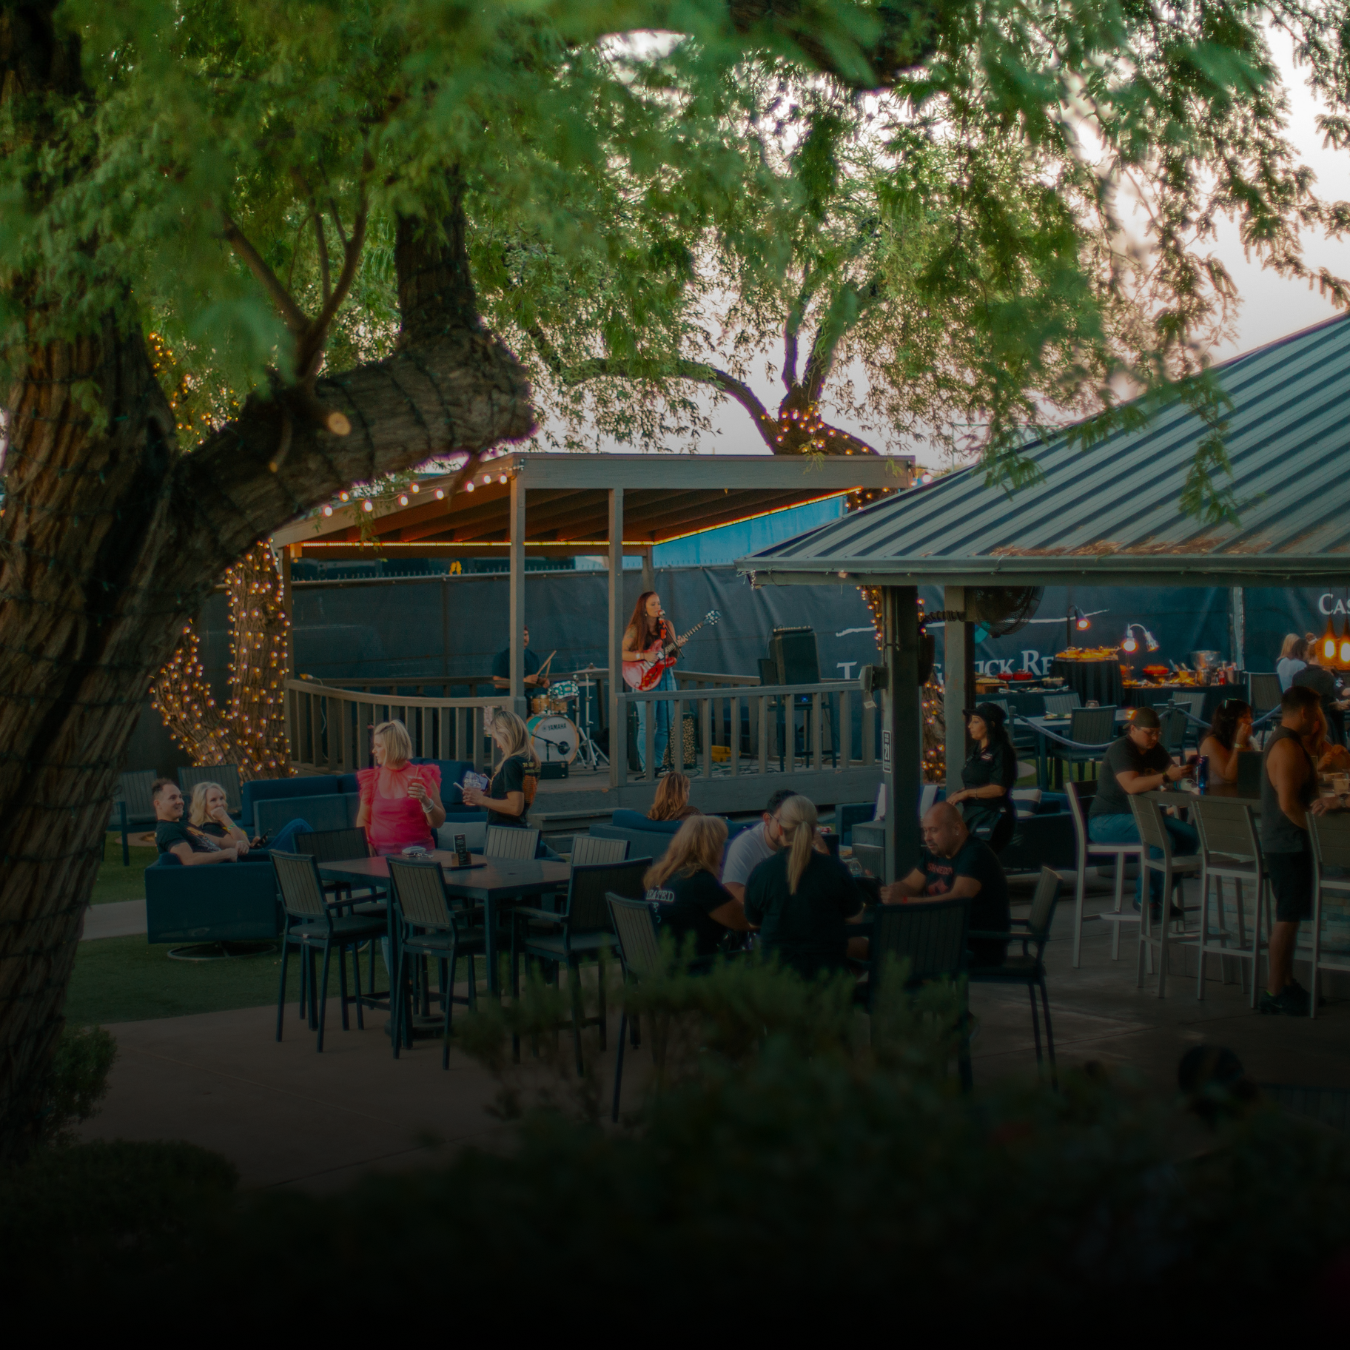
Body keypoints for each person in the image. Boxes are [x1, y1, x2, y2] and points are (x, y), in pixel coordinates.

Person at [1260, 685, 1350, 1015]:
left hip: (1286, 842)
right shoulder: (1286, 746)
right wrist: (1314, 835)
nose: (1317, 720)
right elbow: (1287, 804)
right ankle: (1274, 991)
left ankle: (1285, 984)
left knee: (1291, 917)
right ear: (1304, 713)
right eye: (1315, 713)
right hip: (1288, 843)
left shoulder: (1288, 742)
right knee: (1286, 918)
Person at [1087, 706, 1197, 910]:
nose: (1154, 738)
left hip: (1143, 815)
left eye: (1158, 733)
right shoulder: (1122, 749)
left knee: (1190, 836)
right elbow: (1131, 785)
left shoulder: (1155, 750)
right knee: (1161, 839)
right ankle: (1146, 899)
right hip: (1107, 819)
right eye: (1149, 733)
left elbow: (1172, 774)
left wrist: (1184, 775)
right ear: (1133, 729)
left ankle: (1160, 896)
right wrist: (1166, 777)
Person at [743, 795, 865, 979]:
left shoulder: (762, 873)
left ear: (780, 828)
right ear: (814, 830)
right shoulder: (835, 869)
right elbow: (856, 918)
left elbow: (753, 922)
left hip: (776, 980)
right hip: (826, 979)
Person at [883, 801, 1010, 967]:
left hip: (976, 947)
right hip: (944, 938)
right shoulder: (936, 852)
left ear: (956, 829)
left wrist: (905, 902)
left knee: (893, 952)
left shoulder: (975, 855)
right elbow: (911, 884)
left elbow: (957, 900)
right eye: (925, 831)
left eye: (933, 830)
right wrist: (890, 892)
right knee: (879, 947)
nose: (927, 838)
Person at [644, 816, 750, 959]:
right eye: (720, 844)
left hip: (658, 963)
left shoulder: (659, 876)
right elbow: (745, 920)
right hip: (694, 965)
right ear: (711, 849)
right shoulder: (699, 881)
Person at [355, 719, 446, 856]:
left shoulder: (422, 776)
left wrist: (426, 801)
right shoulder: (372, 779)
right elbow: (363, 818)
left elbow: (438, 822)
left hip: (418, 854)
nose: (373, 751)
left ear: (392, 747)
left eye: (378, 746)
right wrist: (366, 843)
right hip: (380, 855)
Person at [622, 591, 684, 773]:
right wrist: (643, 655)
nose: (658, 607)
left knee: (666, 725)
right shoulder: (635, 629)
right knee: (647, 725)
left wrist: (677, 646)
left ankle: (657, 763)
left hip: (666, 676)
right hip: (644, 678)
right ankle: (646, 767)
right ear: (644, 608)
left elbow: (673, 656)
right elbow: (621, 653)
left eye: (659, 603)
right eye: (653, 604)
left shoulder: (667, 625)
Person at [945, 702, 1017, 852]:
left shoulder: (1001, 751)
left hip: (993, 816)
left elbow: (999, 788)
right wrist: (961, 792)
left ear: (991, 725)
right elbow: (977, 780)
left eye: (976, 722)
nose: (970, 726)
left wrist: (967, 793)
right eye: (970, 721)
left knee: (979, 857)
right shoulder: (975, 750)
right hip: (972, 814)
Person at [187, 781, 311, 858]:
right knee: (298, 825)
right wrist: (225, 817)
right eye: (213, 800)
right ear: (202, 806)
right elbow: (242, 844)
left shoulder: (219, 823)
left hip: (259, 853)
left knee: (298, 826)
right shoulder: (209, 828)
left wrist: (253, 844)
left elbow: (245, 844)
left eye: (221, 798)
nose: (220, 803)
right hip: (261, 860)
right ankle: (319, 864)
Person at [461, 708, 540, 830]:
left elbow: (515, 807)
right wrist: (494, 787)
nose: (498, 745)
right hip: (520, 827)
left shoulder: (511, 763)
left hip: (504, 832)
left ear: (506, 736)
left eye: (497, 739)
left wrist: (480, 799)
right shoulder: (529, 759)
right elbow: (519, 791)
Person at [721, 786, 797, 905]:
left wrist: (822, 849)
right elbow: (732, 890)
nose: (790, 828)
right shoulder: (746, 844)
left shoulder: (804, 839)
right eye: (783, 821)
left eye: (796, 822)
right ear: (767, 819)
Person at [153, 779, 239, 865]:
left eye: (180, 797)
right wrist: (225, 854)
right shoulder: (167, 829)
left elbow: (218, 841)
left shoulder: (184, 824)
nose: (180, 801)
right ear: (158, 804)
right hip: (221, 871)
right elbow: (190, 859)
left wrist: (239, 844)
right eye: (173, 798)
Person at [1291, 647, 1349, 746]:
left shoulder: (1297, 676)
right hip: (1323, 726)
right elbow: (1342, 692)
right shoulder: (1326, 676)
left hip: (1301, 725)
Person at [1198, 698, 1253, 784]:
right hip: (1216, 792)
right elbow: (1228, 777)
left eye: (1250, 716)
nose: (1251, 721)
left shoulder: (1249, 742)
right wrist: (1240, 744)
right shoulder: (1210, 743)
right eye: (1245, 717)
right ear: (1230, 720)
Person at [491, 626, 550, 694]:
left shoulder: (534, 657)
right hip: (508, 698)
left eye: (525, 635)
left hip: (529, 698)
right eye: (521, 635)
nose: (524, 638)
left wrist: (541, 681)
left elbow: (534, 679)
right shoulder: (502, 657)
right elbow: (498, 683)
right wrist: (524, 681)